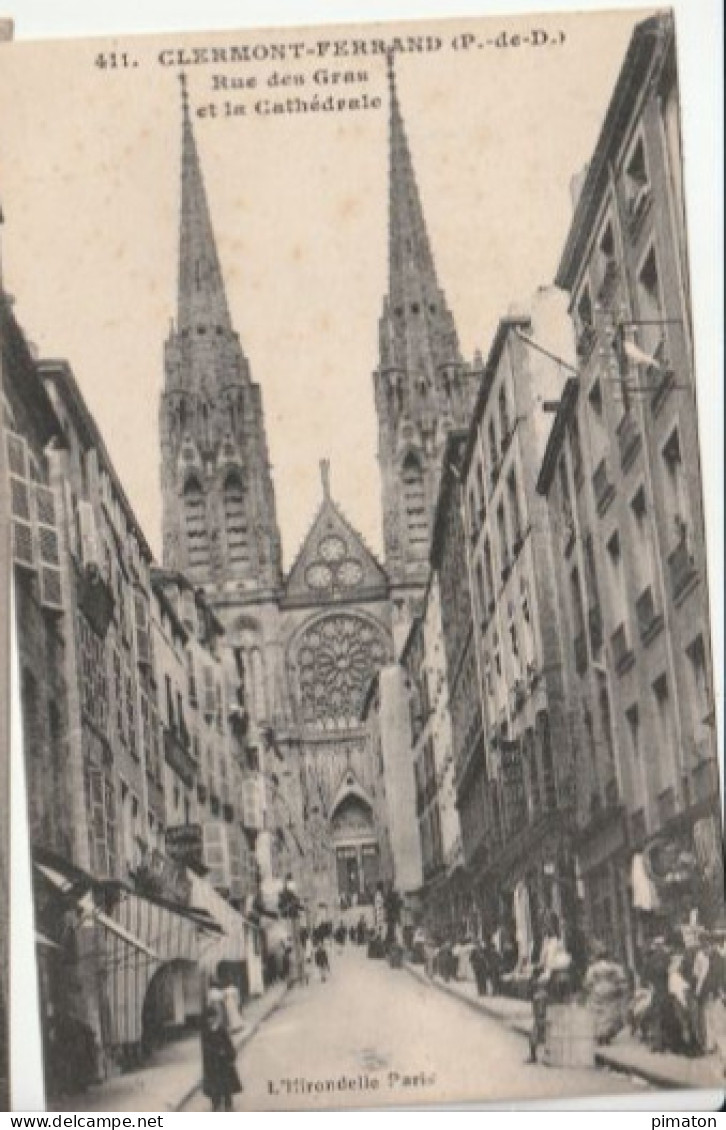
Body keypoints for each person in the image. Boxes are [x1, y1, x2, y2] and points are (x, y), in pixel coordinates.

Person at [200, 1002, 242, 1112]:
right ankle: (216, 1103)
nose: (211, 1020)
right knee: (214, 1084)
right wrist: (211, 1056)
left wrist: (230, 1054)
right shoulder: (205, 1032)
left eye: (212, 1017)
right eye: (208, 1018)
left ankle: (228, 1103)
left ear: (215, 1017)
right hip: (212, 1062)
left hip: (223, 1061)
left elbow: (228, 1043)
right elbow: (205, 1048)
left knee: (226, 1082)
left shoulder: (221, 1029)